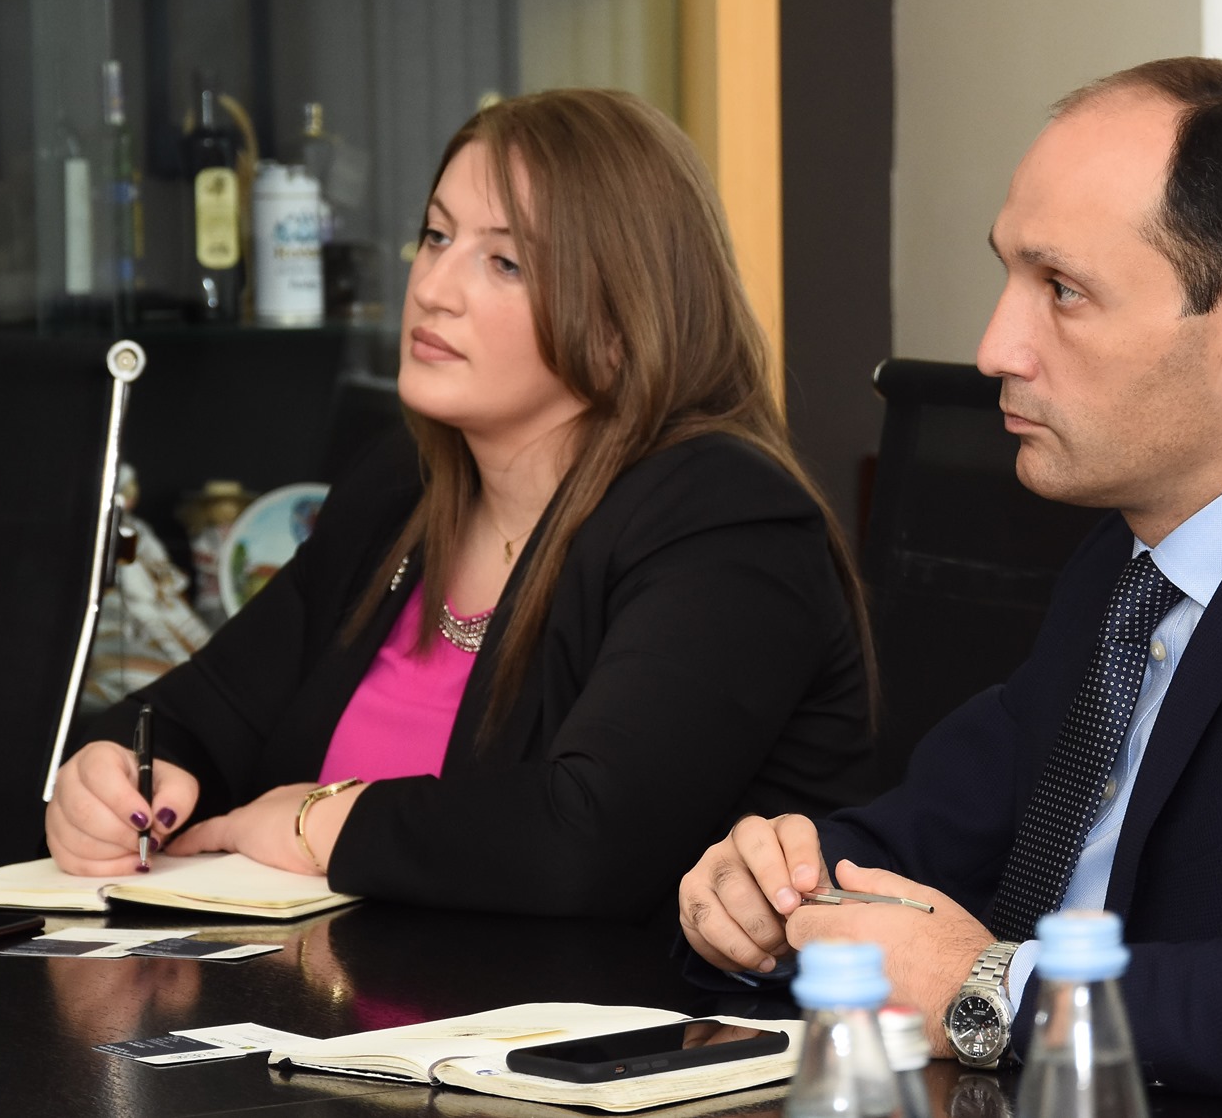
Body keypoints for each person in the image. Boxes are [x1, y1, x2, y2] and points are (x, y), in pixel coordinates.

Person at [678, 58, 1222, 1117]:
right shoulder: (1126, 563)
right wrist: (776, 883)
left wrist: (994, 989)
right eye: (1010, 276)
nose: (994, 348)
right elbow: (924, 834)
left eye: (1061, 290)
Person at [48, 88, 876, 917]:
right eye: (437, 236)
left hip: (595, 1000)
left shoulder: (727, 521)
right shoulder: (401, 486)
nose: (434, 288)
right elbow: (195, 715)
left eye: (505, 263)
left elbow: (587, 839)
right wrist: (110, 781)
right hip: (335, 989)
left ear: (620, 329)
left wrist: (314, 822)